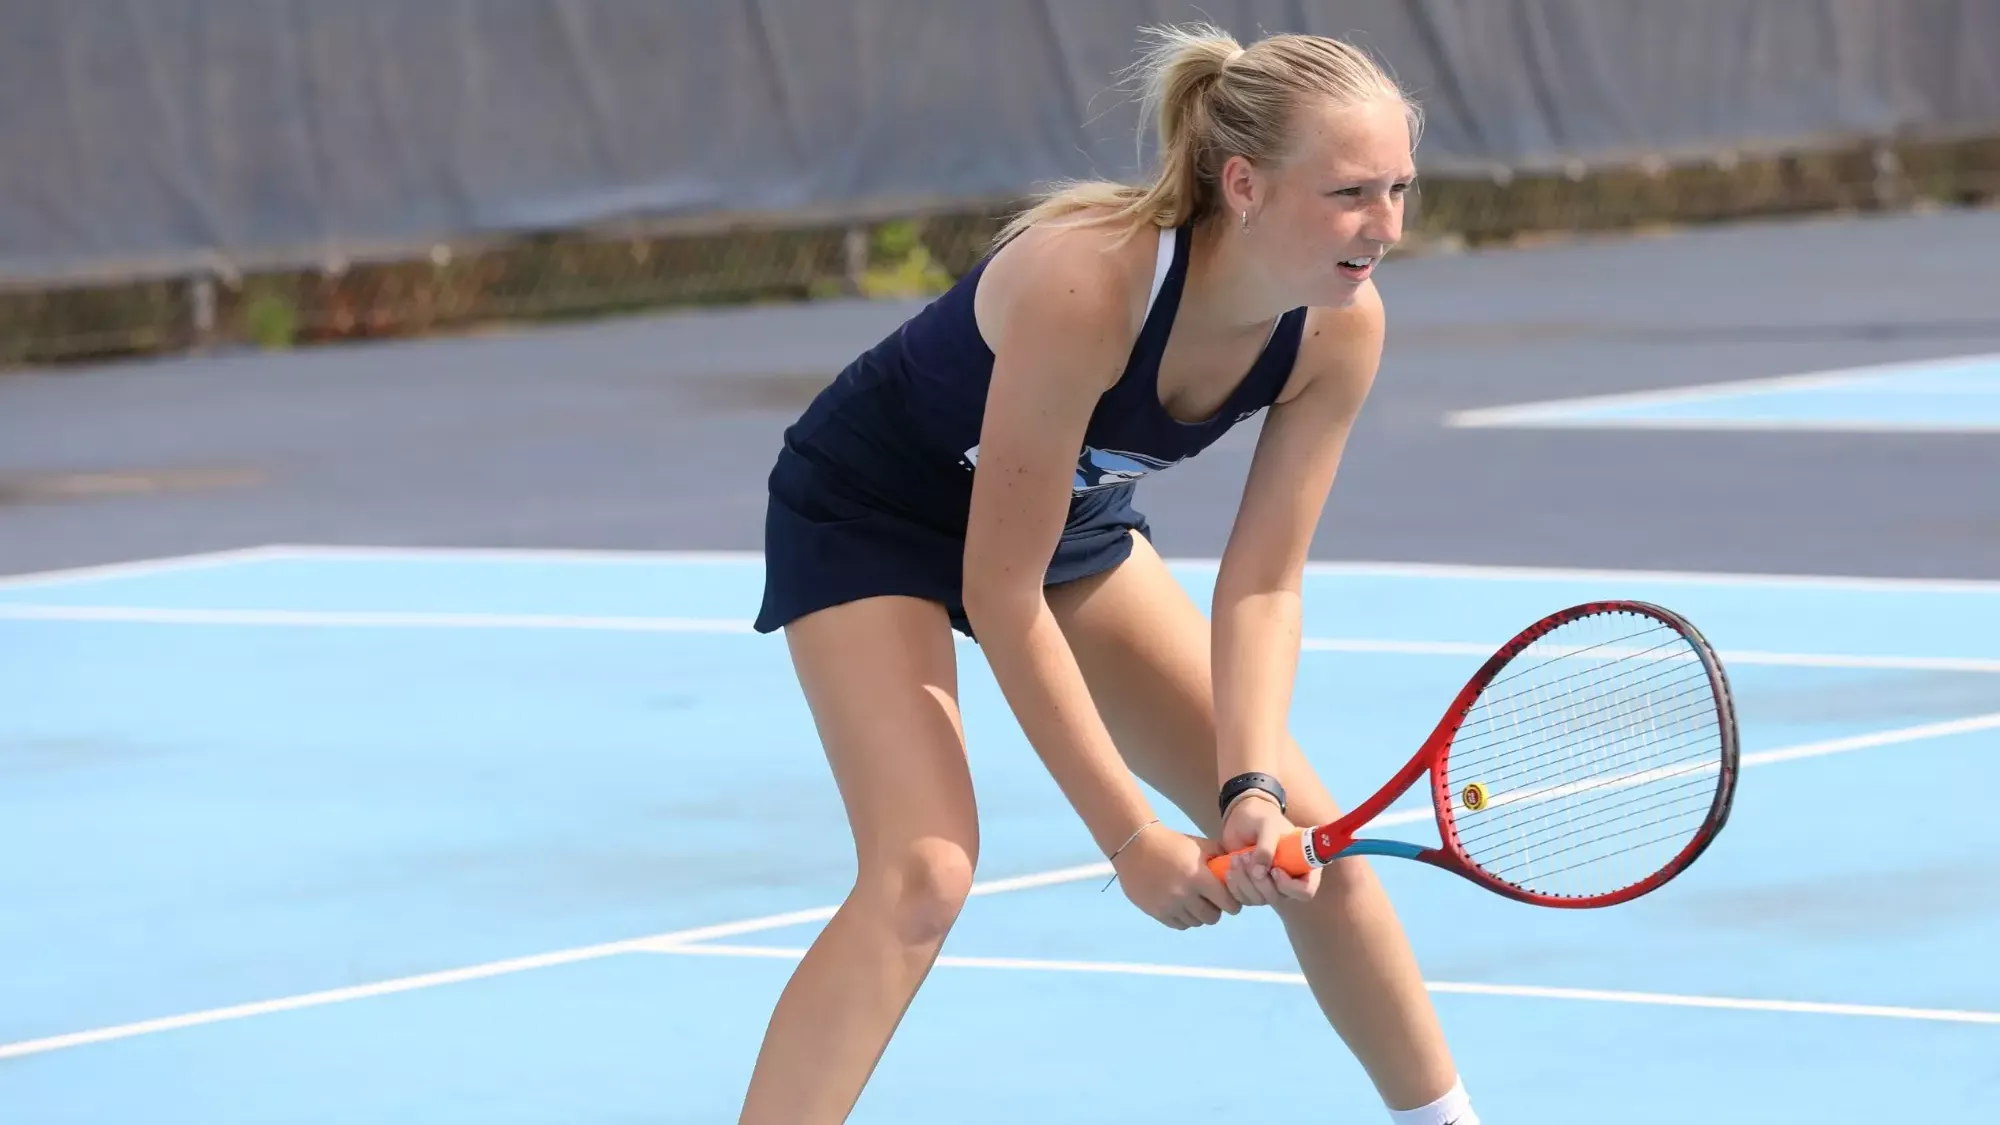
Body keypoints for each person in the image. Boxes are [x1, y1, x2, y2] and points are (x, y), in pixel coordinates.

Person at [740, 21, 1478, 1125]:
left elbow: (1264, 585)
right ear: (1243, 184)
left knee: (1322, 860)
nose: (1386, 226)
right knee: (924, 872)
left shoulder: (1338, 331)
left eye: (1398, 189)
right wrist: (1131, 840)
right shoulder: (1087, 282)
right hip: (870, 512)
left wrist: (1250, 789)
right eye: (1349, 194)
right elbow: (1000, 590)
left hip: (1062, 525)